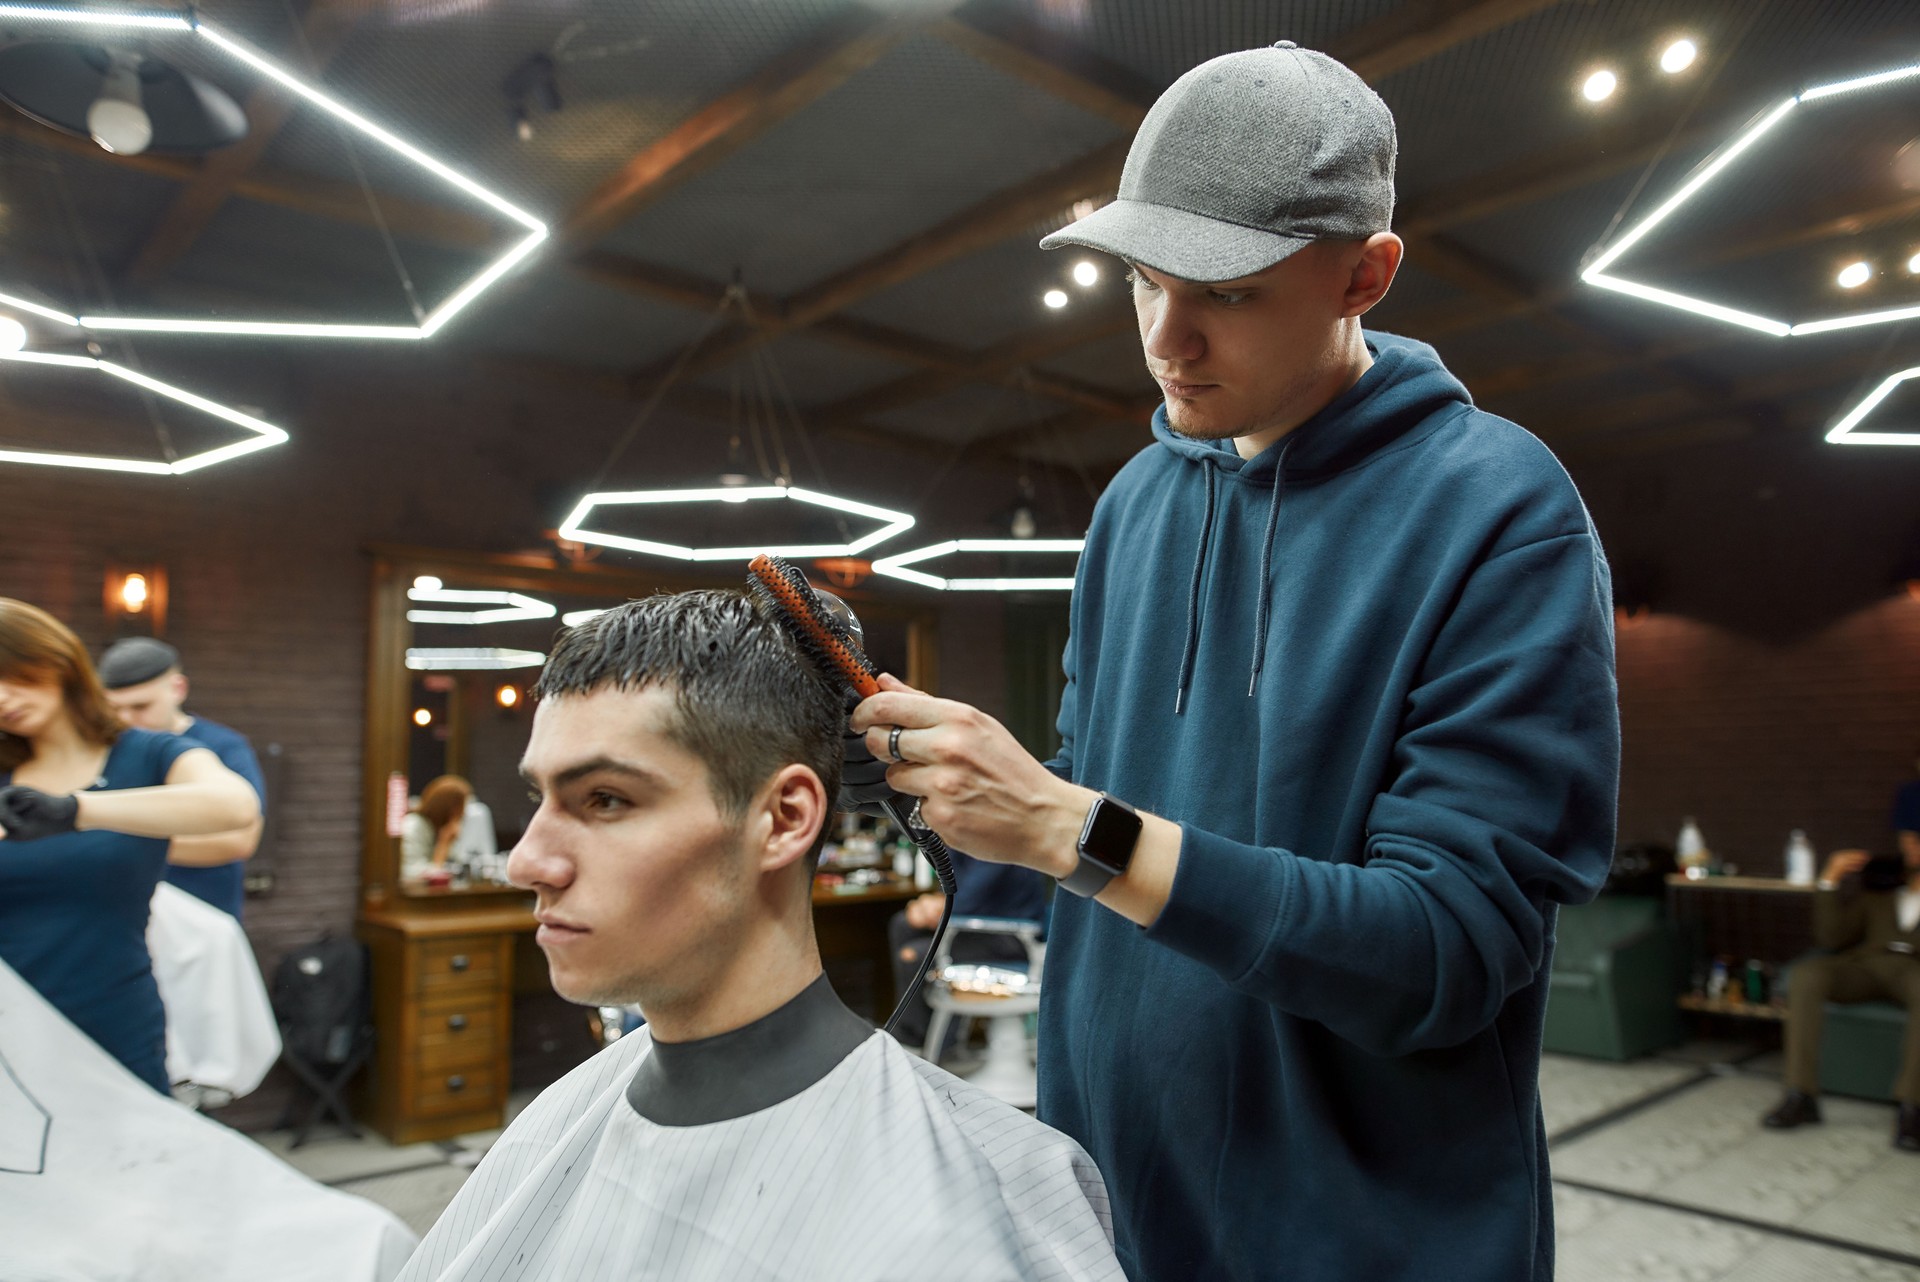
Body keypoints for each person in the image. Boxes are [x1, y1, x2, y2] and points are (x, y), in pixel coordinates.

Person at [847, 43, 1619, 1281]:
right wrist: (965, 789)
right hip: (1112, 1201)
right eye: (1144, 281)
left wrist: (1066, 826)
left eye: (1231, 293)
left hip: (1363, 1237)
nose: (1168, 339)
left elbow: (1446, 952)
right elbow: (1100, 795)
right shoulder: (1133, 506)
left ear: (1366, 275)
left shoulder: (1500, 505)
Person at [398, 592, 1121, 1282]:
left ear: (783, 818)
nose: (529, 862)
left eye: (606, 799)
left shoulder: (947, 1218)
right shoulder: (556, 1124)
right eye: (542, 798)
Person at [0, 600, 261, 1092]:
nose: (1, 697)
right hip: (9, 1032)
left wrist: (78, 812)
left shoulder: (149, 753)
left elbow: (235, 807)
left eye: (11, 675)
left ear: (55, 661)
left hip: (108, 1019)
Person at [1763, 842, 1920, 1150]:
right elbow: (1831, 936)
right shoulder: (1878, 897)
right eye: (1909, 843)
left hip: (1914, 970)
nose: (1912, 849)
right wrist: (1830, 879)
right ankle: (1801, 1095)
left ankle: (1912, 1108)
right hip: (1866, 965)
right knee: (1807, 974)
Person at [99, 636, 266, 920]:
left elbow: (240, 841)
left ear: (178, 688)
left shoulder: (224, 746)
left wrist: (120, 845)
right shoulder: (106, 749)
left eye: (140, 707)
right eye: (114, 709)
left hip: (202, 911)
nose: (125, 720)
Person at [888, 850, 1049, 1050]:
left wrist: (932, 908)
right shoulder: (963, 842)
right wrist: (928, 906)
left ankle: (922, 1042)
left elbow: (966, 899)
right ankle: (911, 1034)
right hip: (972, 929)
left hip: (1009, 939)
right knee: (902, 924)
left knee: (914, 955)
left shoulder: (995, 844)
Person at [399, 774, 472, 882]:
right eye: (461, 808)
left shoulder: (437, 828)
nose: (463, 813)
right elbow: (416, 876)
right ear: (449, 809)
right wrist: (443, 844)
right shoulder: (413, 826)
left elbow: (453, 866)